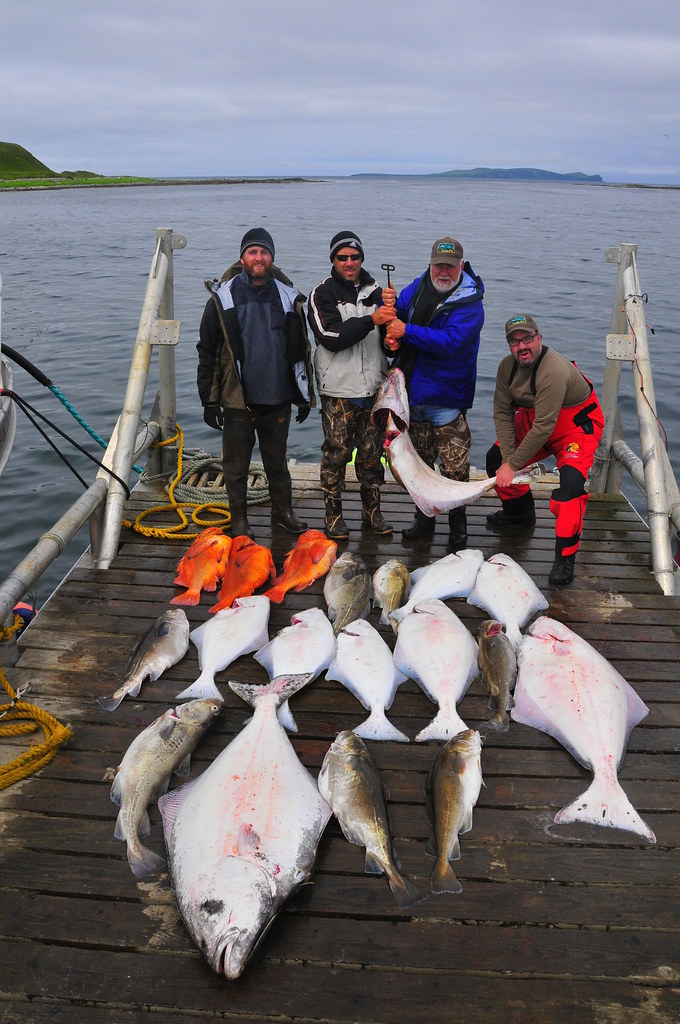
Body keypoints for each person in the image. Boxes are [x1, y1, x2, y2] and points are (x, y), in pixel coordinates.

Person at [197, 227, 315, 539]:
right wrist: (208, 400)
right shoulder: (222, 299)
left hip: (277, 399)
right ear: (242, 258)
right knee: (235, 467)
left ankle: (282, 512)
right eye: (253, 252)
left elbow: (302, 349)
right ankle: (239, 520)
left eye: (264, 252)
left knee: (277, 463)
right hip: (238, 399)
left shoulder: (289, 298)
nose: (259, 257)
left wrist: (304, 395)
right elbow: (207, 350)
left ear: (272, 257)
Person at [486, 313, 605, 586]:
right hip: (536, 420)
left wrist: (513, 465)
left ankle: (564, 558)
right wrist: (506, 459)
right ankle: (519, 514)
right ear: (509, 346)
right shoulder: (507, 368)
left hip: (574, 426)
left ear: (539, 338)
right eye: (515, 342)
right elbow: (502, 413)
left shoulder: (552, 369)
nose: (522, 346)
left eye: (528, 338)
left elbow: (544, 426)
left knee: (570, 489)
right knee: (494, 458)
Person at [383, 236, 484, 550]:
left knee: (455, 469)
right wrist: (386, 308)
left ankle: (458, 527)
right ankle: (423, 520)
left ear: (461, 267)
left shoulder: (471, 304)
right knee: (421, 465)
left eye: (450, 267)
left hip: (447, 399)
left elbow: (450, 342)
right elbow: (396, 311)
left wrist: (406, 331)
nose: (444, 271)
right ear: (430, 263)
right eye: (439, 265)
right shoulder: (418, 285)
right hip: (414, 396)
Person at [307, 230, 396, 539]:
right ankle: (334, 516)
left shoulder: (379, 293)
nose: (349, 262)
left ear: (362, 259)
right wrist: (373, 320)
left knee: (372, 457)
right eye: (342, 257)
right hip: (338, 393)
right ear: (333, 259)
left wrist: (393, 336)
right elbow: (330, 338)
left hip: (374, 390)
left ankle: (373, 513)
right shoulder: (322, 293)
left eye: (354, 257)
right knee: (335, 456)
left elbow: (388, 345)